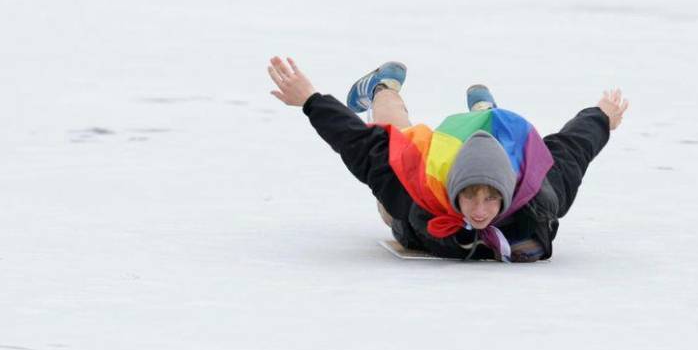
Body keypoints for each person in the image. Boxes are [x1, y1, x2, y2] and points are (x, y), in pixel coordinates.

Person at [266, 58, 629, 263]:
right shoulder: (412, 185)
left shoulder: (540, 197)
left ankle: (487, 113)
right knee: (394, 135)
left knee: (502, 137)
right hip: (428, 166)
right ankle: (382, 87)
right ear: (456, 188)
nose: (480, 209)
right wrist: (311, 99)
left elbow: (572, 148)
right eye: (470, 196)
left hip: (503, 154)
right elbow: (356, 140)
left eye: (490, 197)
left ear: (507, 194)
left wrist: (601, 118)